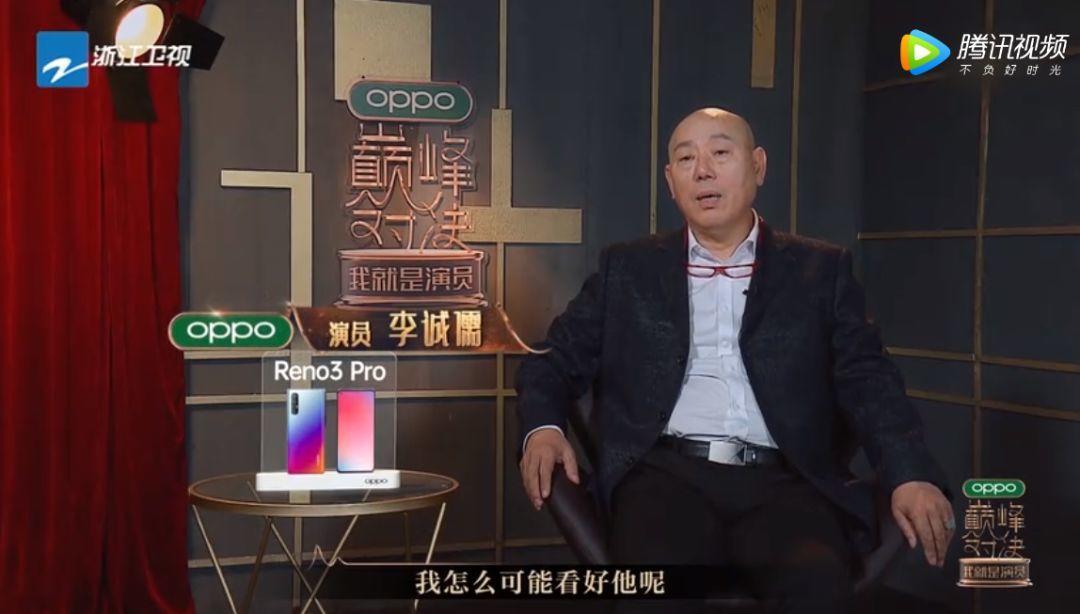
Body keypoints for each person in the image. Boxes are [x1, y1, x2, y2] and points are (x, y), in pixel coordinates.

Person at [515, 108, 956, 613]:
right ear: (671, 182)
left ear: (758, 166)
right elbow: (550, 360)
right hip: (665, 478)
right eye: (686, 159)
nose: (703, 171)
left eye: (720, 153)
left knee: (816, 585)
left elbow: (869, 380)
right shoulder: (628, 270)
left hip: (784, 482)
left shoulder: (820, 270)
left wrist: (909, 472)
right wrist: (543, 428)